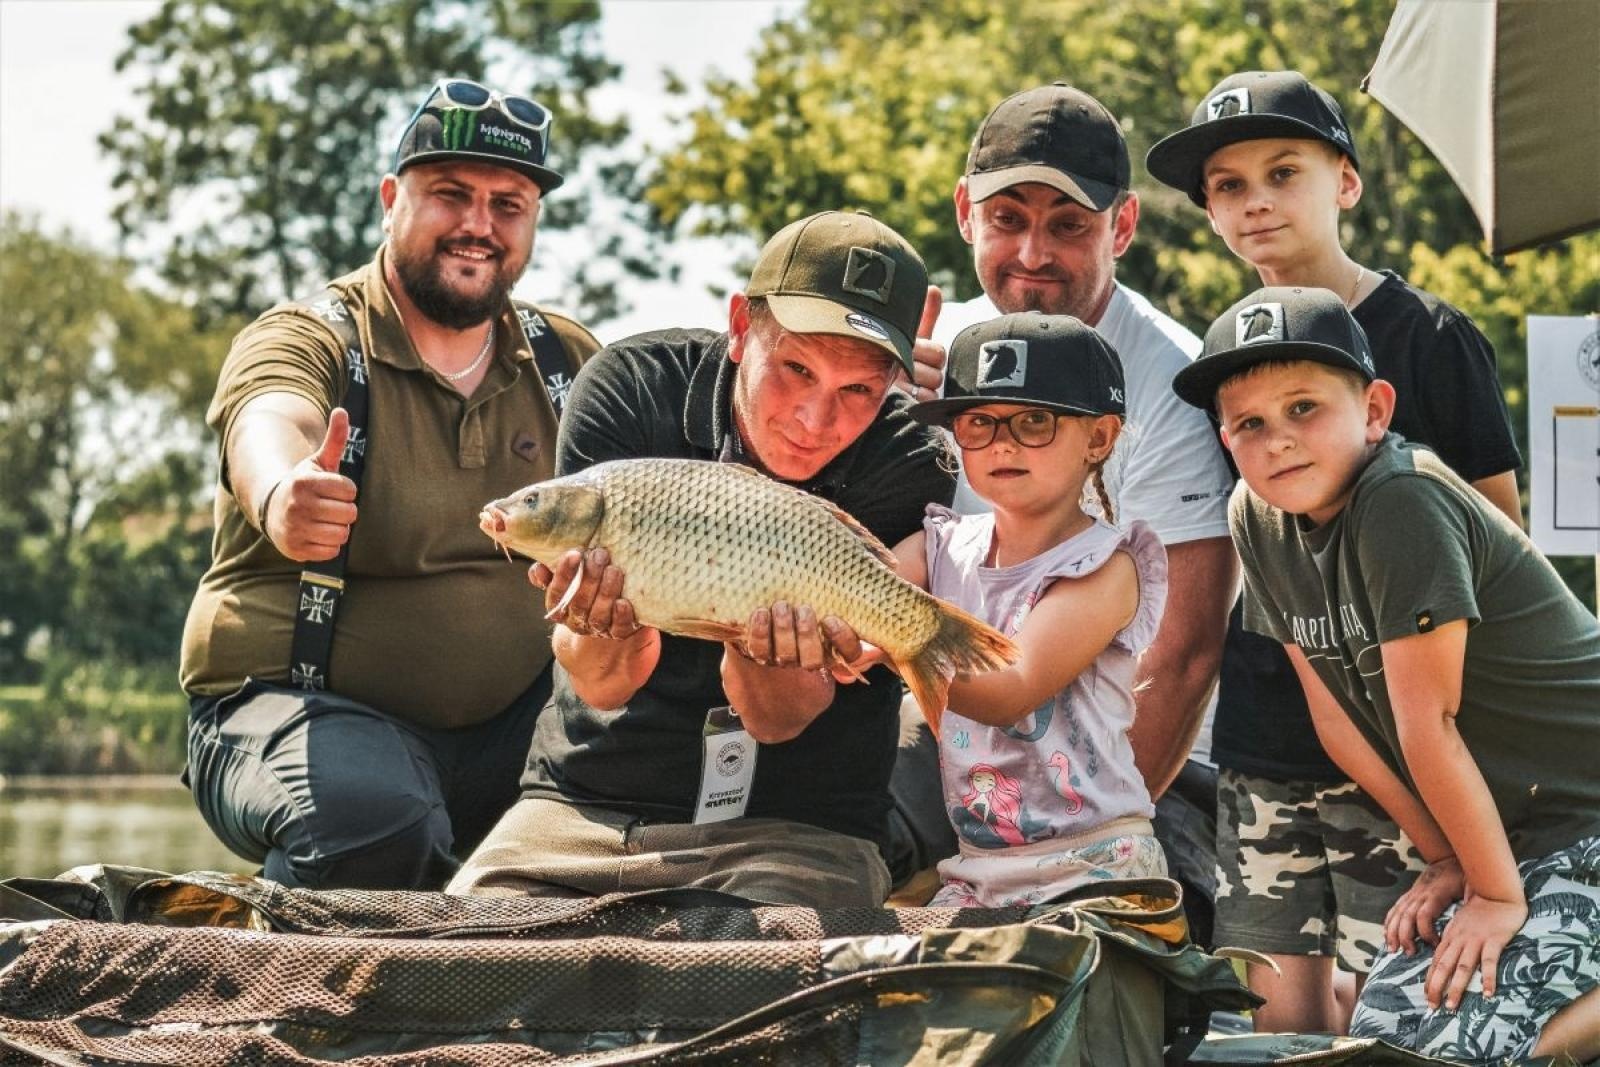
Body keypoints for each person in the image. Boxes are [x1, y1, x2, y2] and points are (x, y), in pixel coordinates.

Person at [1146, 70, 1525, 1032]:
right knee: (1269, 1024)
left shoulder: (1432, 338)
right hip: (1264, 739)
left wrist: (1452, 799)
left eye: (1283, 170)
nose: (1256, 199)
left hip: (1407, 753)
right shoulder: (1218, 366)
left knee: (1403, 1014)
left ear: (1346, 182)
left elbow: (1501, 552)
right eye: (1227, 185)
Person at [446, 211, 955, 908]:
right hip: (589, 804)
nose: (813, 418)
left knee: (777, 989)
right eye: (796, 368)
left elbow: (777, 719)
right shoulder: (627, 388)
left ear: (895, 381)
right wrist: (603, 625)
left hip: (798, 827)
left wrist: (770, 650)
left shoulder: (910, 458)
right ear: (742, 327)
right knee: (462, 954)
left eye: (857, 391)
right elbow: (601, 683)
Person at [179, 79, 599, 890]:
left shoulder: (567, 362)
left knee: (682, 774)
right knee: (374, 820)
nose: (479, 224)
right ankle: (299, 996)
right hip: (286, 711)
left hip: (509, 734)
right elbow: (269, 416)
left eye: (508, 205)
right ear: (390, 200)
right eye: (451, 195)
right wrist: (282, 492)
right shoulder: (313, 335)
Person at [1173, 285, 1600, 1064]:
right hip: (1514, 834)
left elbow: (1426, 724)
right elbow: (1338, 720)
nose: (1278, 442)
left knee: (1476, 1048)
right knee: (1386, 1037)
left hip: (1588, 814)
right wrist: (1447, 862)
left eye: (1304, 408)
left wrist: (1496, 896)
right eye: (1250, 424)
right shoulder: (1254, 515)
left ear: (1374, 410)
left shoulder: (1401, 498)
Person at [891, 83, 1236, 945]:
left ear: (1122, 228)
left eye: (1069, 224)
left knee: (1109, 956)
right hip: (953, 739)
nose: (1032, 252)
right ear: (966, 214)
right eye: (1008, 218)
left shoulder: (1176, 384)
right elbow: (865, 565)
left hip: (1128, 782)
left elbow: (1184, 658)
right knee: (839, 840)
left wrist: (1044, 850)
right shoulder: (932, 364)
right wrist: (875, 426)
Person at [885, 312, 1168, 907]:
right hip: (978, 866)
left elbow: (1011, 687)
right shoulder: (939, 546)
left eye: (1034, 421)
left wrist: (873, 626)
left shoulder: (1107, 565)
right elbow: (851, 592)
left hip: (1097, 867)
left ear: (1099, 437)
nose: (1002, 442)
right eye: (978, 423)